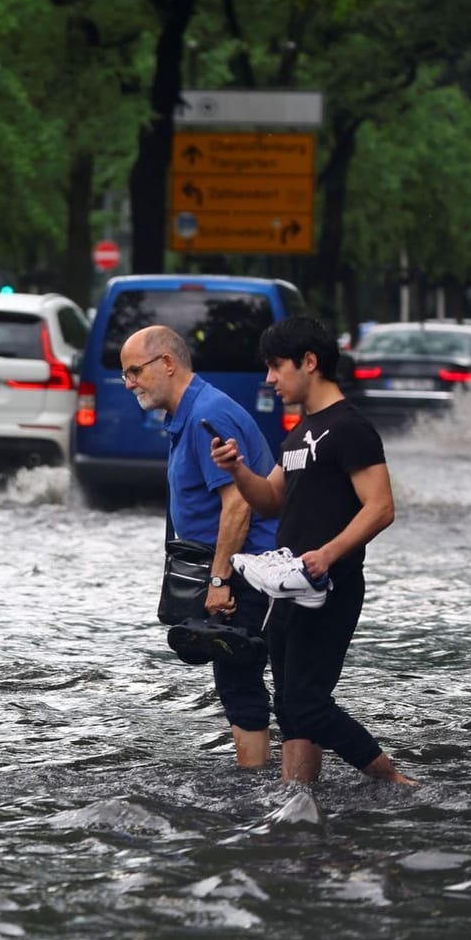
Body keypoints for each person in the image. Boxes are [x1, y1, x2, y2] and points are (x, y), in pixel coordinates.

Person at [210, 316, 415, 786]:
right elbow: (270, 499)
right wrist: (237, 469)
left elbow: (381, 507)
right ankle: (297, 798)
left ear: (309, 361)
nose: (269, 379)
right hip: (288, 586)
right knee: (288, 704)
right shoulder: (300, 432)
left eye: (276, 366)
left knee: (306, 701)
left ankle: (395, 783)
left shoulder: (349, 429)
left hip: (330, 586)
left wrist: (328, 554)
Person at [118, 325, 280, 768]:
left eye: (134, 371)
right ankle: (267, 786)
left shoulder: (209, 413)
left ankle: (261, 788)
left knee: (240, 680)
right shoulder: (188, 414)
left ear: (166, 363)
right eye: (125, 374)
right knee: (238, 680)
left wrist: (218, 580)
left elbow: (237, 507)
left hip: (249, 570)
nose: (129, 382)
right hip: (232, 567)